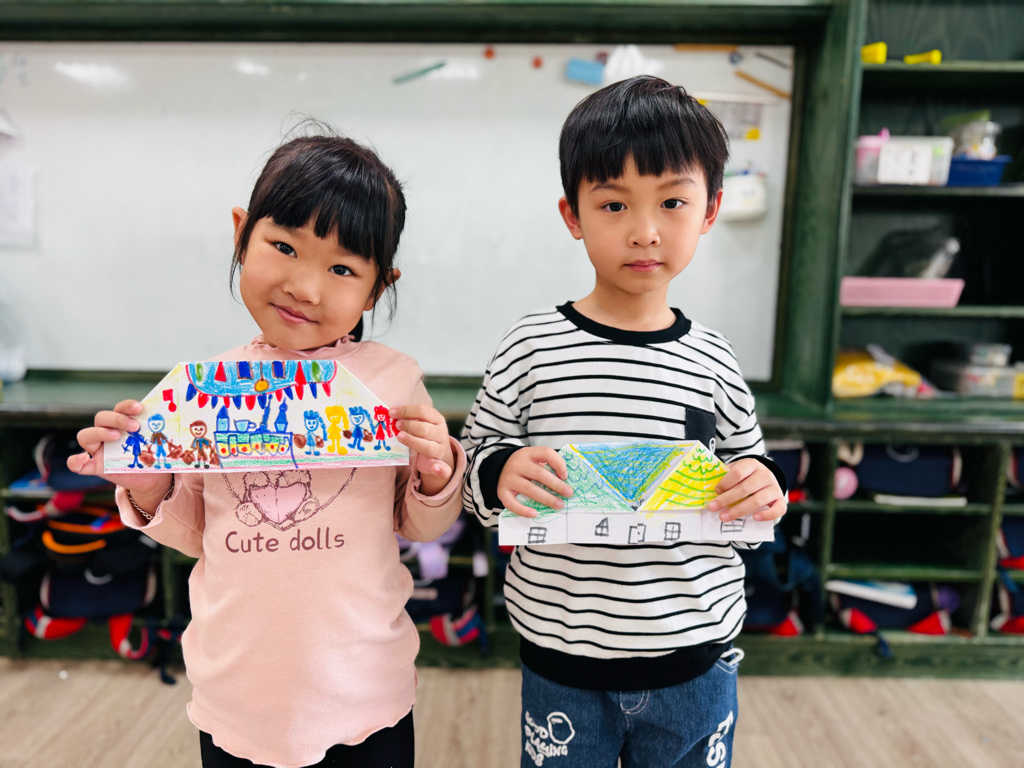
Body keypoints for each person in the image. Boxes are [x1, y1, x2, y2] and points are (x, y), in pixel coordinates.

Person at [69, 133, 466, 768]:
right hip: (236, 694)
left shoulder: (392, 381)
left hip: (367, 690)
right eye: (284, 247)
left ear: (376, 289)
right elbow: (196, 533)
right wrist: (148, 484)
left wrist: (436, 474)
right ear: (241, 235)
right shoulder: (206, 389)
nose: (305, 287)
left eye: (342, 269)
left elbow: (421, 525)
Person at [461, 76, 788, 768]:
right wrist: (499, 472)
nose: (645, 230)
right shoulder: (530, 347)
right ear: (573, 214)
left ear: (710, 209)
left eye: (673, 201)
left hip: (694, 657)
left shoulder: (714, 358)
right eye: (613, 204)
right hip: (563, 660)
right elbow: (475, 474)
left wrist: (762, 488)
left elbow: (751, 468)